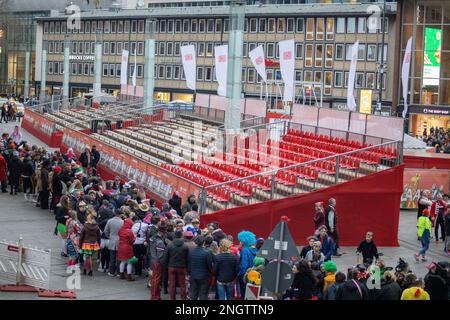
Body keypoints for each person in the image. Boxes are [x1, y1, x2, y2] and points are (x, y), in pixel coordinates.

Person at [163, 230, 189, 300]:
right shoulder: (185, 246)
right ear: (181, 235)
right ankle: (183, 298)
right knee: (182, 285)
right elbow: (187, 258)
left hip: (171, 266)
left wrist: (166, 266)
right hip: (181, 267)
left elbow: (165, 257)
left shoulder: (169, 245)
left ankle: (172, 298)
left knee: (172, 285)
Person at [188, 235, 213, 300]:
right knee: (203, 295)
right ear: (203, 242)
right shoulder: (207, 252)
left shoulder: (191, 252)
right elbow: (209, 265)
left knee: (193, 294)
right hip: (204, 276)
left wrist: (190, 273)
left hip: (193, 275)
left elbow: (189, 264)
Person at [237, 231, 258, 300]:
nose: (239, 242)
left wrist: (240, 275)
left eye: (240, 241)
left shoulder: (244, 251)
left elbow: (244, 265)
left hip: (245, 276)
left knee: (244, 295)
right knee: (252, 296)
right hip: (255, 275)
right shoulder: (256, 250)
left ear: (244, 241)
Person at [104, 209, 124, 277]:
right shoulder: (122, 222)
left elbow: (106, 231)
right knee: (119, 258)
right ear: (120, 214)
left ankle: (111, 272)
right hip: (120, 241)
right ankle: (118, 272)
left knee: (112, 257)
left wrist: (109, 237)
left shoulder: (110, 221)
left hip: (112, 240)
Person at [149, 226, 167, 300]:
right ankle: (155, 297)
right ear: (162, 232)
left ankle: (154, 296)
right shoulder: (160, 242)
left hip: (153, 260)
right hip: (158, 262)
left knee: (154, 279)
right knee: (157, 280)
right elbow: (160, 255)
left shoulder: (152, 238)